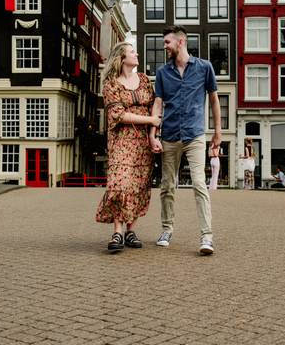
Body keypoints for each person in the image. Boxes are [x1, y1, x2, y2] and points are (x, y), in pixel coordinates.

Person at [149, 25, 222, 255]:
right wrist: (153, 134)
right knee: (167, 186)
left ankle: (206, 237)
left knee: (200, 184)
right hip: (169, 135)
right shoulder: (162, 73)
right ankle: (167, 229)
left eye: (167, 42)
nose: (164, 46)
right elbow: (158, 103)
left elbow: (214, 100)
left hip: (195, 136)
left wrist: (217, 132)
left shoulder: (204, 68)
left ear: (181, 42)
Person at [95, 42, 161, 253]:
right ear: (122, 58)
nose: (137, 52)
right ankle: (117, 231)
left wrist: (152, 136)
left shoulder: (144, 80)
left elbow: (155, 108)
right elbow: (118, 115)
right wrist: (150, 120)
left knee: (139, 185)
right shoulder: (111, 85)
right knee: (120, 183)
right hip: (121, 141)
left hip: (143, 142)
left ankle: (131, 231)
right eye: (133, 51)